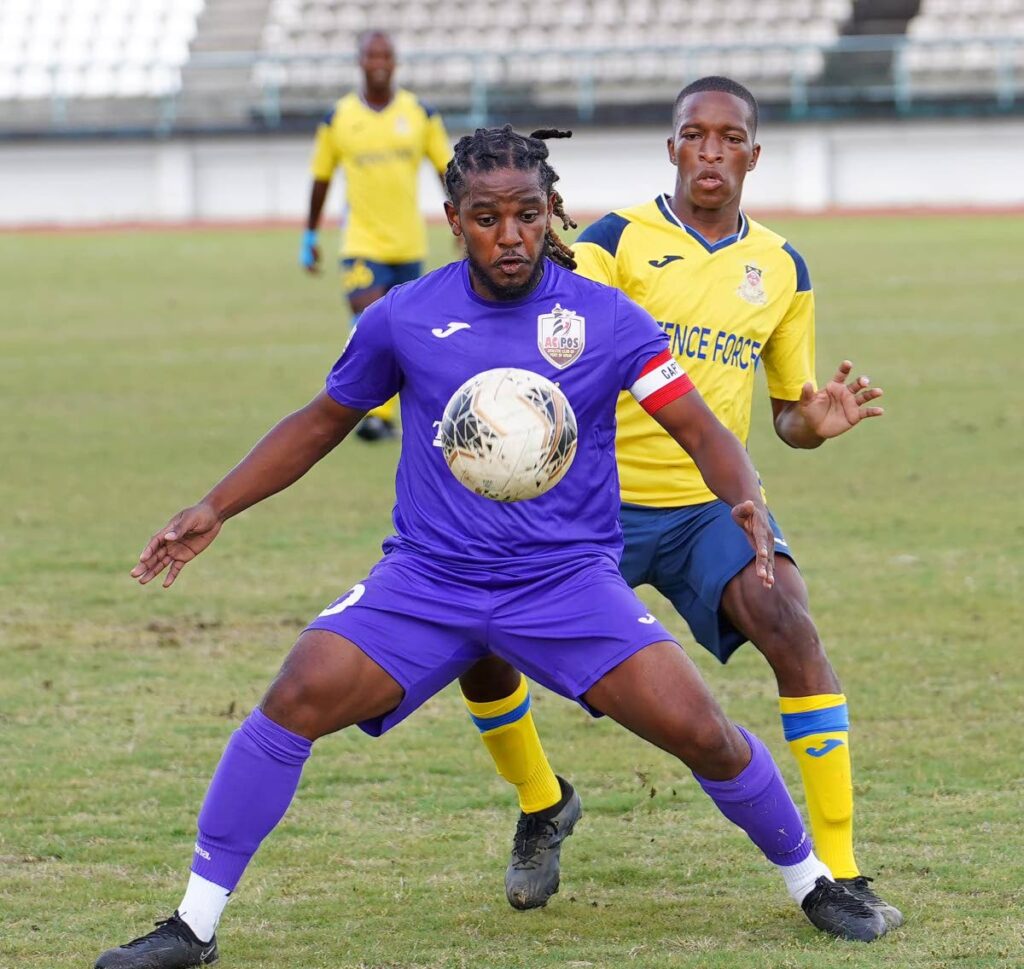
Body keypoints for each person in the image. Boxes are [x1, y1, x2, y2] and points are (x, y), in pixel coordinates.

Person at [95, 125, 886, 968]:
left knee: (704, 729)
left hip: (565, 585)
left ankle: (813, 880)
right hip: (428, 581)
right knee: (297, 691)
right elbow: (323, 421)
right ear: (453, 219)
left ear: (551, 214)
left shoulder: (606, 318)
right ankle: (193, 924)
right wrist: (215, 506)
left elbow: (694, 422)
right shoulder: (405, 317)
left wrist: (745, 497)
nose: (509, 236)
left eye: (526, 215)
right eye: (486, 218)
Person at [457, 77, 901, 930]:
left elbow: (786, 415)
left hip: (708, 507)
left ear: (752, 154)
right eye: (693, 135)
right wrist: (539, 227)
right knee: (480, 642)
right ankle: (543, 800)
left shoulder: (781, 266)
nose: (709, 151)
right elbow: (546, 309)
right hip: (592, 506)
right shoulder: (621, 239)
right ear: (671, 148)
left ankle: (838, 866)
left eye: (728, 137)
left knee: (792, 627)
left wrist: (814, 419)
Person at [299, 29, 452, 441]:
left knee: (403, 331)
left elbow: (445, 171)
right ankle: (370, 413)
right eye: (372, 56)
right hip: (361, 243)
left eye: (386, 55)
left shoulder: (420, 114)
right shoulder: (339, 119)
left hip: (408, 245)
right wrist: (310, 236)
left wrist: (462, 221)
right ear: (360, 61)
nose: (379, 62)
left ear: (395, 62)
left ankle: (385, 415)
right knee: (368, 320)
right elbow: (321, 178)